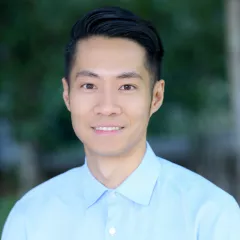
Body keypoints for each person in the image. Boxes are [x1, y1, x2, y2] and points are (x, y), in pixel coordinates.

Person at [1, 6, 240, 240]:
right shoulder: (30, 217)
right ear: (67, 95)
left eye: (126, 86)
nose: (107, 107)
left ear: (156, 96)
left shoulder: (211, 215)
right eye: (89, 85)